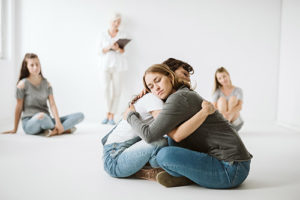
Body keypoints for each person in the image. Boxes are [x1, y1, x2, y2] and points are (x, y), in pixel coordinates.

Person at [126, 64, 252, 188]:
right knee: (170, 139)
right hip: (225, 161)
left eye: (158, 80)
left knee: (164, 155)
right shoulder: (180, 94)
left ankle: (187, 176)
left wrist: (130, 115)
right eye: (151, 87)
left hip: (231, 169)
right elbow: (175, 135)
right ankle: (190, 176)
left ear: (170, 76)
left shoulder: (179, 98)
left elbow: (149, 136)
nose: (156, 88)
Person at [101, 58, 198, 181]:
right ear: (170, 73)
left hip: (125, 150)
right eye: (184, 74)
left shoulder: (166, 99)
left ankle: (149, 168)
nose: (188, 79)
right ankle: (159, 169)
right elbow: (170, 132)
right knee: (164, 141)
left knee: (167, 142)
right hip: (115, 158)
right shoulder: (154, 99)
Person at [2, 53, 84, 136]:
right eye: (32, 65)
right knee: (42, 116)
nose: (35, 67)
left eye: (37, 64)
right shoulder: (22, 84)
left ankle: (54, 130)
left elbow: (52, 104)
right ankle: (62, 129)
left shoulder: (46, 83)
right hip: (30, 123)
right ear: (26, 67)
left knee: (80, 115)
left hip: (47, 120)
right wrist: (15, 129)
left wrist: (58, 122)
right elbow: (18, 107)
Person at [98, 13, 128, 125]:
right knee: (105, 89)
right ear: (110, 21)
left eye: (119, 22)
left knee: (117, 91)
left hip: (118, 67)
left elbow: (125, 52)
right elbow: (98, 51)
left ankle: (112, 116)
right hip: (105, 66)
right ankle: (107, 113)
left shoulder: (123, 34)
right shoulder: (102, 34)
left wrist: (118, 48)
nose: (117, 24)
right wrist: (109, 47)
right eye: (115, 21)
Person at [212, 67, 244, 132]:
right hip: (222, 121)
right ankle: (225, 123)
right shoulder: (217, 92)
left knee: (233, 99)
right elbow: (214, 108)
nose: (223, 80)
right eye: (220, 78)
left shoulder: (238, 90)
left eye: (224, 76)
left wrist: (229, 115)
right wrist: (224, 115)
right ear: (217, 80)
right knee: (222, 100)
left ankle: (226, 123)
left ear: (228, 75)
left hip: (235, 122)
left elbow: (240, 107)